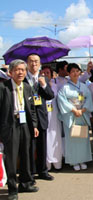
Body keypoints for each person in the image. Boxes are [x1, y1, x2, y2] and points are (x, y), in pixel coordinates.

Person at [0, 59, 39, 200]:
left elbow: (32, 109)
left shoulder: (27, 87)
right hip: (10, 126)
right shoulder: (3, 88)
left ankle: (26, 183)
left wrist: (34, 126)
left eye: (23, 69)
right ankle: (12, 189)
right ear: (10, 72)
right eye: (17, 70)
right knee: (11, 158)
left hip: (25, 126)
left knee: (26, 155)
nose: (20, 72)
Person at [57, 63, 93, 171]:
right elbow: (62, 101)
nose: (75, 73)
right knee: (72, 139)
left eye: (77, 71)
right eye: (72, 71)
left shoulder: (83, 86)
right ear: (68, 73)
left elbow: (88, 99)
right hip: (71, 115)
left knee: (83, 138)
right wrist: (73, 110)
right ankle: (74, 161)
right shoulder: (64, 88)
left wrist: (82, 110)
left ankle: (83, 159)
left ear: (79, 72)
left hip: (82, 114)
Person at [25, 54, 55, 182]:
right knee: (29, 147)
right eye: (31, 61)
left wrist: (44, 85)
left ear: (40, 63)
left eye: (36, 61)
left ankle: (43, 171)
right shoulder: (23, 79)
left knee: (42, 146)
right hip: (27, 118)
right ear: (27, 63)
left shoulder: (44, 79)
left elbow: (50, 96)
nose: (33, 64)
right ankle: (30, 173)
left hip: (41, 116)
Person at [41, 66, 63, 170]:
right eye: (43, 73)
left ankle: (57, 162)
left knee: (55, 138)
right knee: (46, 139)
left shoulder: (56, 85)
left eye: (47, 73)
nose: (45, 75)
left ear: (52, 74)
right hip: (44, 115)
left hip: (55, 115)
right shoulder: (38, 85)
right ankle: (47, 164)